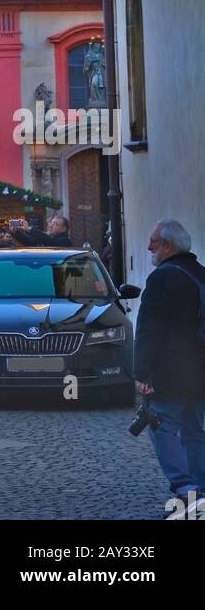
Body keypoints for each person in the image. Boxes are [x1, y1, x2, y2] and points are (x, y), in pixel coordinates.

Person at [134, 219, 205, 513]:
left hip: (169, 372)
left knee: (160, 427)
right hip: (200, 372)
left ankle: (185, 489)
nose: (149, 247)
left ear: (167, 245)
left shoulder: (162, 278)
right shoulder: (201, 274)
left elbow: (150, 328)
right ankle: (200, 488)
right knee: (194, 431)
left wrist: (142, 373)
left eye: (153, 242)